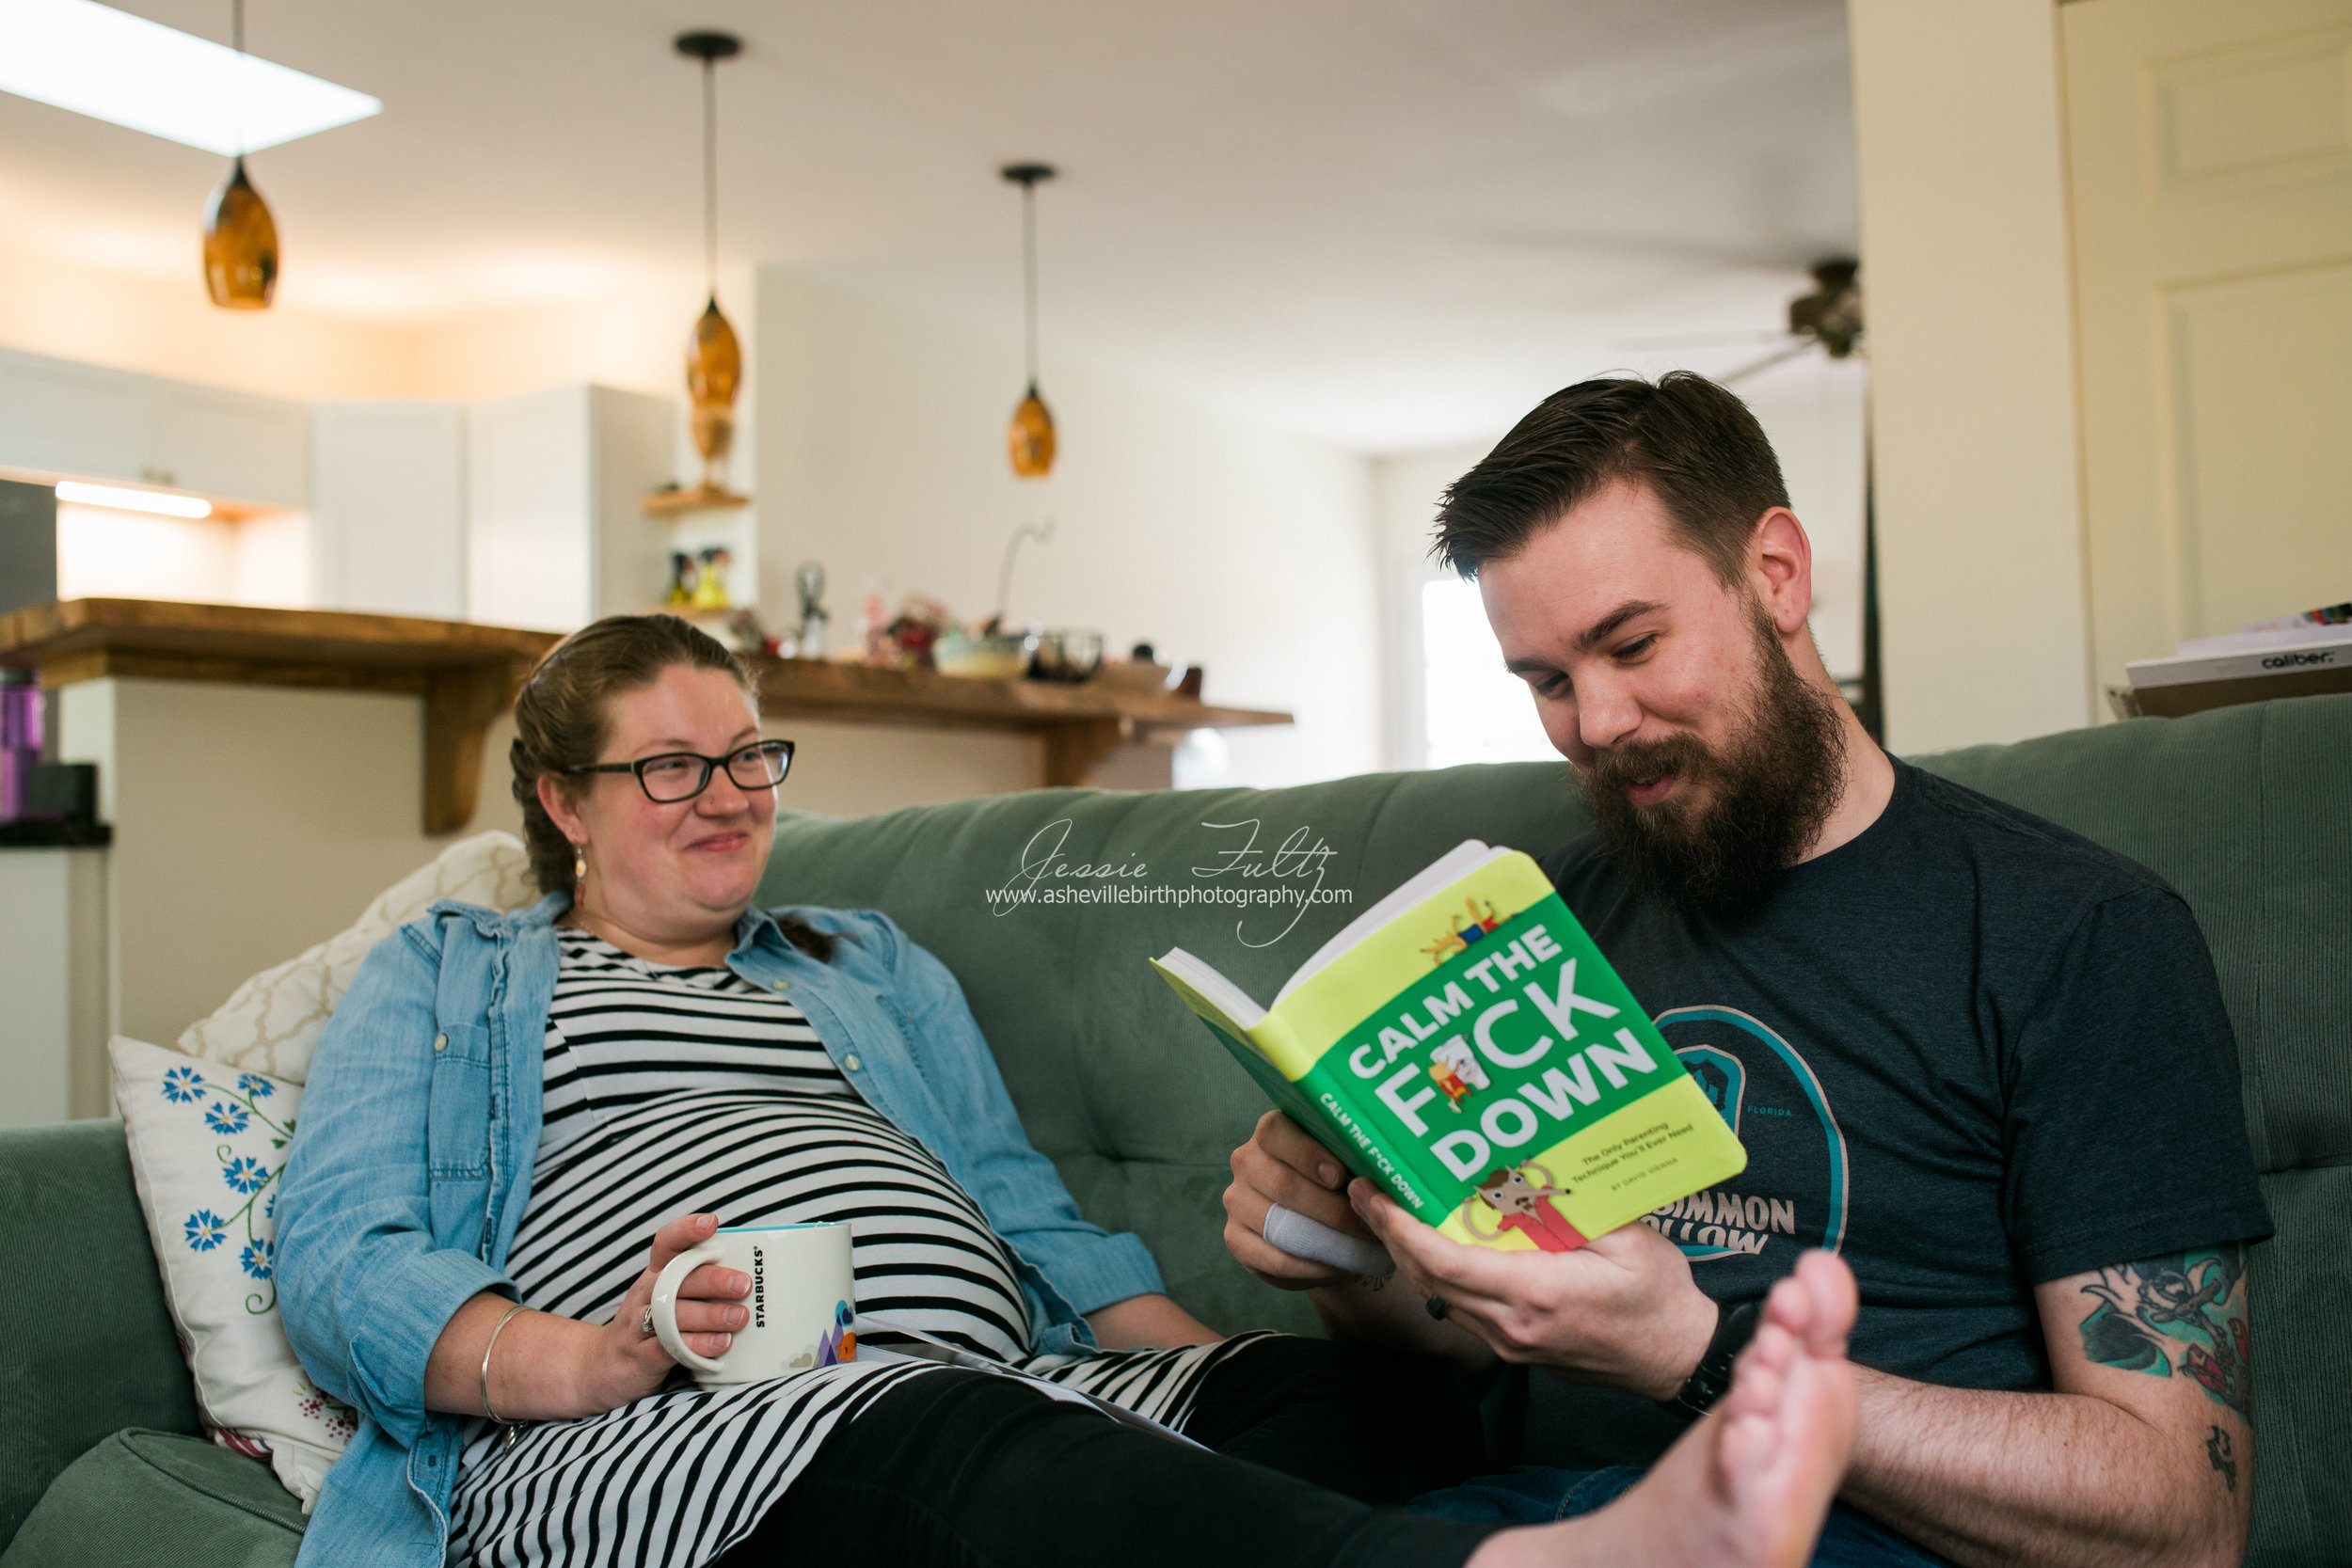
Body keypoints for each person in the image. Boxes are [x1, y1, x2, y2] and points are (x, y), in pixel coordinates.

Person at [277, 611, 1865, 1568]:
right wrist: (578, 1360)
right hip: (675, 1421)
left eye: (752, 757)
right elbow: (340, 1250)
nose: (732, 798)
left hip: (1010, 1375)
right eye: (673, 767)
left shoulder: (860, 956)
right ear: (563, 800)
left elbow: (1015, 1197)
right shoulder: (456, 971)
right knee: (967, 1447)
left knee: (1371, 1401)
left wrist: (1216, 1373)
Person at [1224, 373, 2273, 1568]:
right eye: (1547, 680)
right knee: (1008, 1440)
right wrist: (1344, 1256)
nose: (1596, 721)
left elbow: (2185, 1517)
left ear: (1774, 571)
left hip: (1845, 1543)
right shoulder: (1535, 923)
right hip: (1508, 1515)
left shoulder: (2074, 930)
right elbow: (1468, 1348)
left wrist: (1698, 1353)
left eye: (1631, 643)